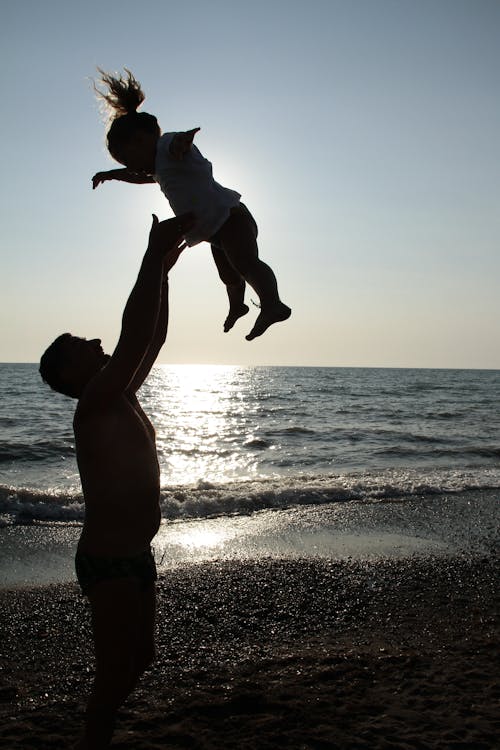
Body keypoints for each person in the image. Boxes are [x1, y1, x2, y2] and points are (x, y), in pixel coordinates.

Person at [39, 211, 195, 750]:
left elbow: (150, 340)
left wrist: (165, 272)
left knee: (142, 657)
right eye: (84, 343)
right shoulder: (96, 402)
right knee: (112, 672)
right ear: (70, 374)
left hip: (136, 554)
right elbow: (132, 336)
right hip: (108, 562)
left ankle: (97, 732)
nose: (97, 340)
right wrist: (151, 256)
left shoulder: (119, 396)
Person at [92, 68, 291, 341]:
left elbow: (179, 141)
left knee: (245, 261)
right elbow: (141, 178)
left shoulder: (167, 148)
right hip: (214, 231)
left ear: (141, 140)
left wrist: (183, 141)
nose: (133, 170)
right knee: (228, 274)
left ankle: (272, 304)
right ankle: (238, 306)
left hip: (231, 216)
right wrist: (113, 175)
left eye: (129, 161)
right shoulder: (158, 168)